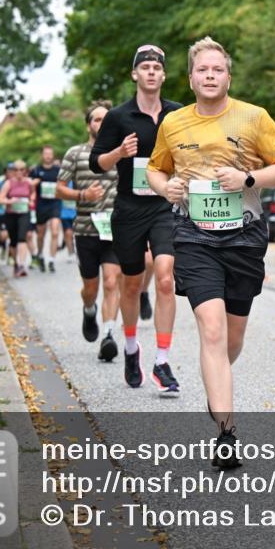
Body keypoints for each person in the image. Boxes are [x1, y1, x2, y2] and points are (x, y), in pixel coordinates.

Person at [147, 36, 275, 469]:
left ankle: (218, 386)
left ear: (228, 77)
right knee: (211, 331)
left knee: (231, 339)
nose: (210, 75)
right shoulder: (174, 123)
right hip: (193, 237)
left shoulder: (254, 116)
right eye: (202, 70)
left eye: (217, 69)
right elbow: (156, 169)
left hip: (244, 238)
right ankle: (226, 434)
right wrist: (167, 188)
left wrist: (248, 179)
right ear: (190, 78)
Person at [90, 45, 182, 392]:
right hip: (129, 210)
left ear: (164, 75)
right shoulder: (118, 117)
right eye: (145, 67)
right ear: (135, 74)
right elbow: (96, 163)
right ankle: (131, 349)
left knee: (165, 278)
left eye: (157, 67)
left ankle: (162, 361)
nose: (151, 72)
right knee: (131, 284)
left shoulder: (178, 114)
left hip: (164, 207)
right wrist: (119, 151)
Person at [57, 100, 123, 364]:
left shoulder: (121, 153)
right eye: (97, 119)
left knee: (111, 281)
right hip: (85, 230)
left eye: (106, 119)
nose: (102, 123)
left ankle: (108, 335)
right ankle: (88, 309)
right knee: (90, 287)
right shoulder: (75, 154)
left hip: (114, 230)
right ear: (88, 125)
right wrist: (83, 194)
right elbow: (59, 189)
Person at [0, 160, 35, 277]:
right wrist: (10, 201)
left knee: (22, 238)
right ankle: (16, 264)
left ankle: (22, 265)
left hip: (24, 213)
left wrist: (31, 201)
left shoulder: (29, 182)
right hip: (11, 214)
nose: (19, 172)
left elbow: (33, 194)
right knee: (13, 241)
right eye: (16, 169)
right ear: (13, 171)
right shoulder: (8, 183)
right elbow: (0, 199)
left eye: (21, 169)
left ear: (25, 171)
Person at [30, 146, 63, 273]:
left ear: (53, 155)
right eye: (46, 154)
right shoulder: (36, 170)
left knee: (55, 231)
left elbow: (64, 184)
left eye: (50, 154)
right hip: (41, 205)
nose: (48, 156)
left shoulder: (58, 170)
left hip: (55, 203)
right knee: (41, 235)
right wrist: (34, 184)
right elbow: (29, 186)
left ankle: (51, 260)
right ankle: (40, 255)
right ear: (42, 155)